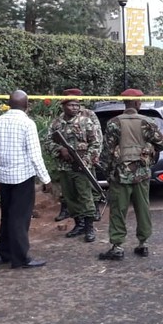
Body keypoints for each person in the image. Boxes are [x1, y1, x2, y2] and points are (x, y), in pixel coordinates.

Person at [98, 89, 163, 261]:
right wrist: (149, 151)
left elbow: (106, 152)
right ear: (137, 103)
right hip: (142, 173)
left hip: (120, 174)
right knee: (142, 208)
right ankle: (143, 244)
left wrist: (107, 172)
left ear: (124, 103)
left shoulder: (114, 123)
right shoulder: (147, 122)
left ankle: (117, 246)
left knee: (118, 210)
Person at [0, 90, 51, 269]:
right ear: (27, 105)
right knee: (20, 219)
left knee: (6, 216)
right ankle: (20, 258)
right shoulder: (27, 123)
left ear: (9, 103)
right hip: (23, 178)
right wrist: (46, 179)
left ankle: (3, 253)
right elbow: (35, 155)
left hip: (4, 177)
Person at [45, 88, 102, 243]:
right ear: (63, 105)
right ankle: (79, 225)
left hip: (82, 166)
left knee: (85, 197)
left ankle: (89, 228)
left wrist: (88, 161)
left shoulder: (86, 121)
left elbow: (96, 143)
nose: (75, 108)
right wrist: (59, 150)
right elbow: (47, 141)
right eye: (71, 105)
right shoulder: (56, 123)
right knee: (70, 198)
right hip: (64, 167)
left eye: (77, 105)